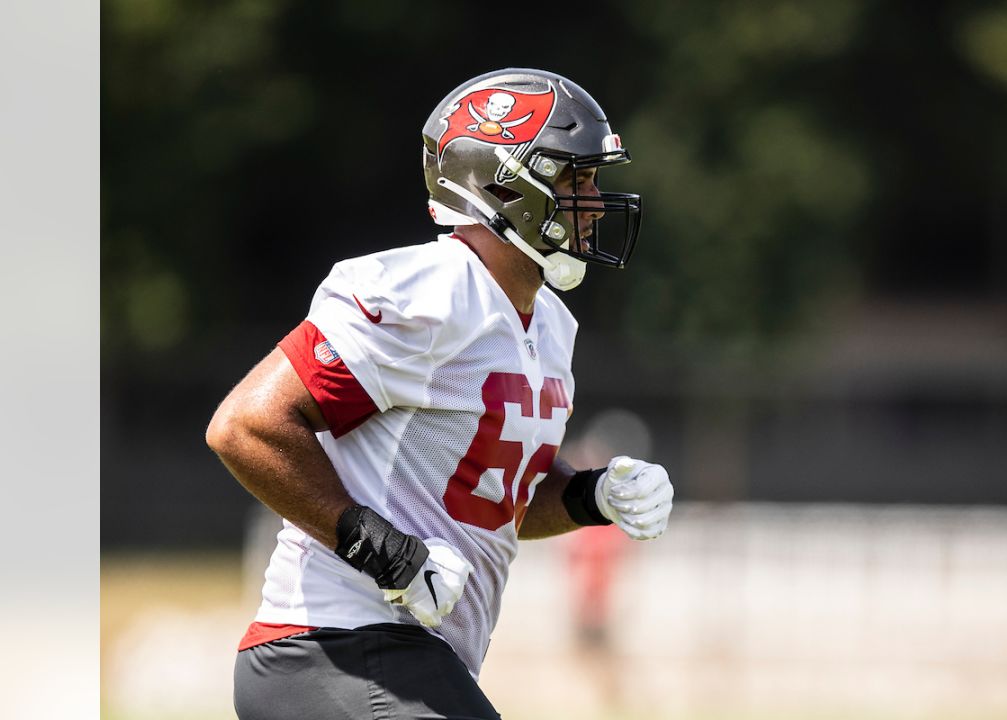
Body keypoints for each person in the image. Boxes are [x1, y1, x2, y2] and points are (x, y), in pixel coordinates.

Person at [206, 68, 675, 720]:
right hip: (332, 645)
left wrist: (590, 496)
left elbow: (498, 499)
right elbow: (246, 426)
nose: (594, 200)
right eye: (576, 177)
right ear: (504, 182)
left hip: (408, 658)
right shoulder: (430, 293)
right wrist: (388, 554)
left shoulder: (549, 325)